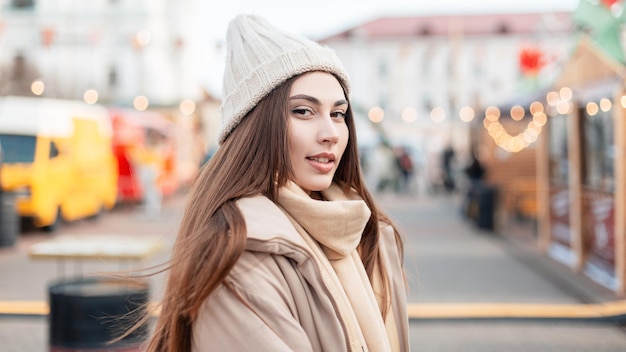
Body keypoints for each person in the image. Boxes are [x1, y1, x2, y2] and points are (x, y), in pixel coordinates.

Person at [142, 14, 409, 352]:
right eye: (303, 111)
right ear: (256, 127)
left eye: (338, 114)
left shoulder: (366, 233)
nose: (329, 133)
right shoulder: (240, 254)